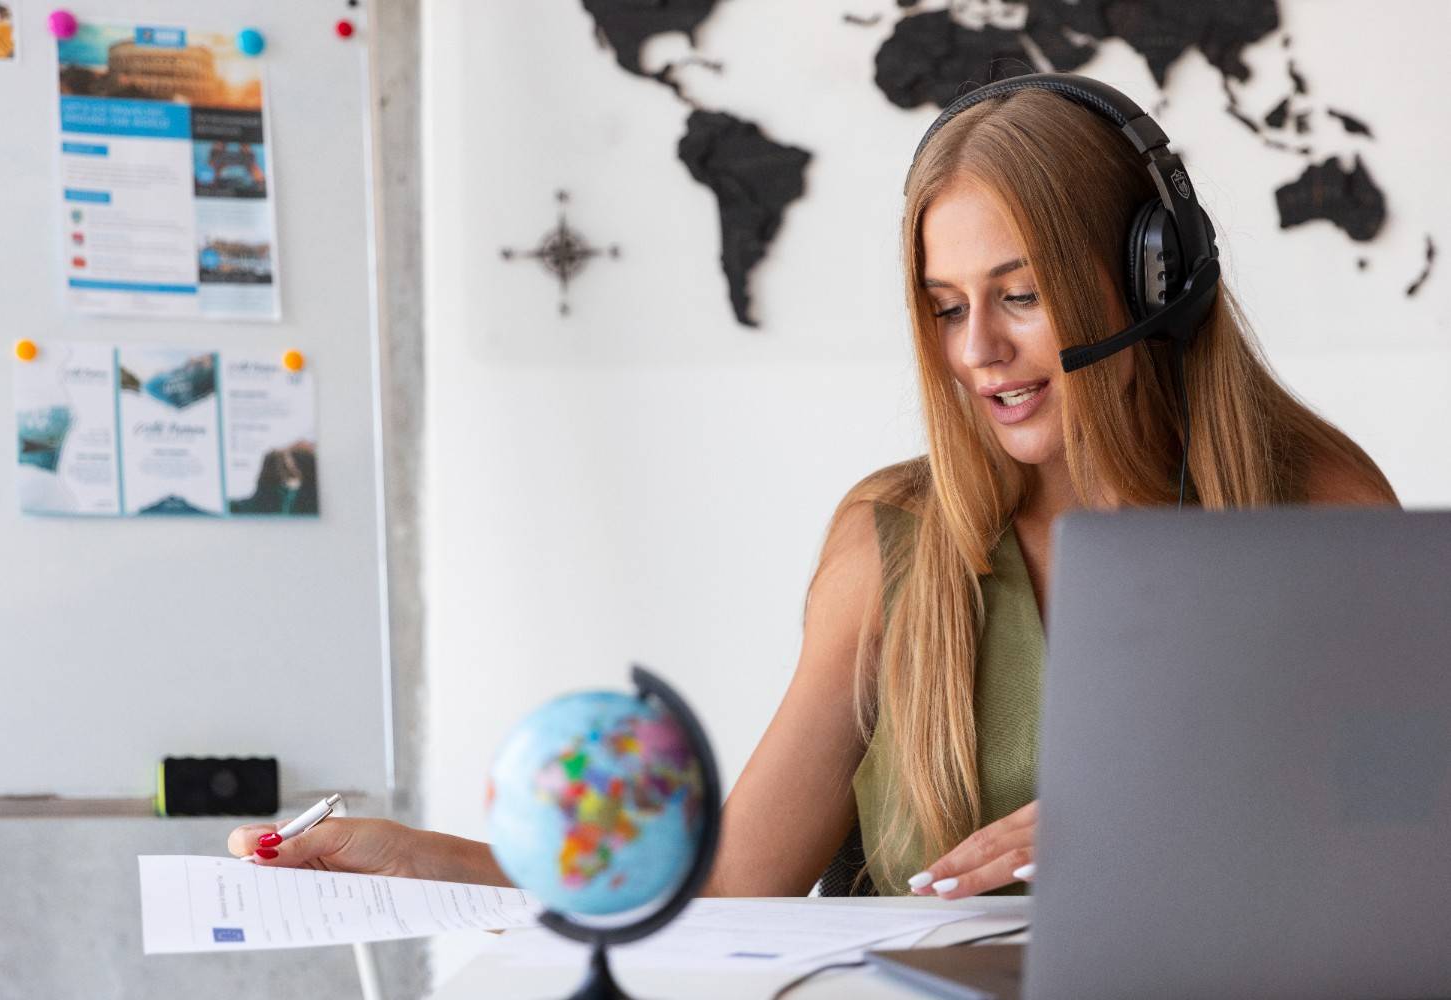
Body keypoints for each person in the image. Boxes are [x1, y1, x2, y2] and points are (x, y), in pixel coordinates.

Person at [228, 76, 1397, 900]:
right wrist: (430, 863)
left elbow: (1406, 846)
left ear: (1152, 274)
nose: (977, 350)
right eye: (946, 308)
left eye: (1021, 294)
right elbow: (734, 884)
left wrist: (1183, 831)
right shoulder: (892, 541)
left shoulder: (1321, 506)